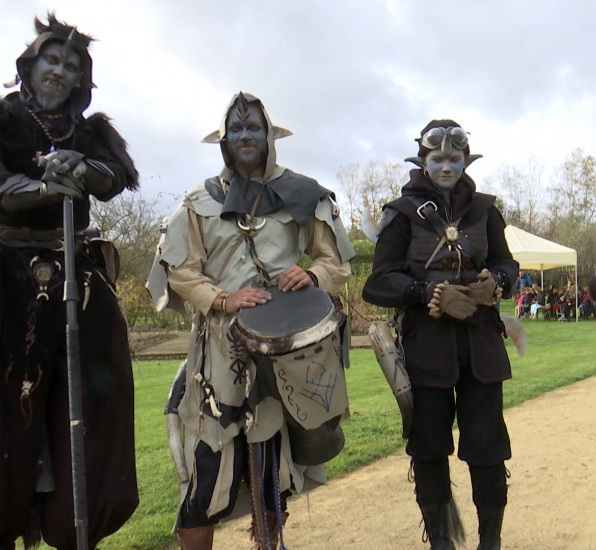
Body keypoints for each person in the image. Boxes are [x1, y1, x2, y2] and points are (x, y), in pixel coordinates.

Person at [146, 93, 355, 549]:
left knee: (273, 474)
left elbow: (334, 260)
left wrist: (314, 273)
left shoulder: (304, 192)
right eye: (236, 129)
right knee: (205, 475)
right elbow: (179, 271)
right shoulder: (199, 201)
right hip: (220, 355)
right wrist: (222, 298)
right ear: (224, 140)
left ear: (269, 136)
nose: (245, 136)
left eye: (254, 128)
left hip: (288, 354)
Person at [0, 13, 139, 549]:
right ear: (29, 66)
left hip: (77, 285)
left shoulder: (91, 131)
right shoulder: (3, 119)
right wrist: (39, 188)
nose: (59, 70)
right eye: (51, 60)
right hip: (9, 283)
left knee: (93, 407)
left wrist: (84, 169)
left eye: (71, 64)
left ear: (82, 79)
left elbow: (116, 177)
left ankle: (77, 529)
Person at [362, 120, 517, 550]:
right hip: (426, 351)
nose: (447, 166)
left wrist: (497, 283)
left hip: (481, 349)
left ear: (466, 160)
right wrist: (427, 292)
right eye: (438, 159)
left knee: (487, 447)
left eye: (454, 158)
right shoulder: (401, 212)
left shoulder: (486, 210)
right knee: (429, 448)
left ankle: (490, 543)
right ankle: (441, 543)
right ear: (423, 162)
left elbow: (508, 264)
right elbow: (377, 283)